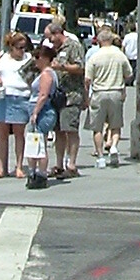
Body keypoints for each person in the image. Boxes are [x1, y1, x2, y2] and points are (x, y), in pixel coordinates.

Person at [85, 26, 133, 167]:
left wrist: (87, 95)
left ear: (99, 41)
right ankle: (113, 147)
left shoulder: (94, 57)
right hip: (116, 92)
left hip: (99, 92)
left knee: (97, 127)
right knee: (115, 125)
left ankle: (100, 157)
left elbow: (88, 79)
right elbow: (129, 74)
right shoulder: (120, 55)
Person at [0, 31, 32, 179]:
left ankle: (19, 167)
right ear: (11, 47)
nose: (22, 51)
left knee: (19, 133)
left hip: (21, 97)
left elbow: (35, 77)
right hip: (2, 97)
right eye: (19, 47)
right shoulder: (1, 57)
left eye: (24, 47)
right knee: (2, 134)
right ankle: (1, 168)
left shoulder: (29, 59)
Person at [44, 16, 85, 178]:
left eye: (50, 38)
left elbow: (80, 67)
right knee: (59, 131)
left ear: (57, 33)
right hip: (57, 96)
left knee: (70, 130)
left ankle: (72, 165)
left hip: (71, 95)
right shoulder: (55, 50)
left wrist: (62, 67)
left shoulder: (73, 46)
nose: (50, 41)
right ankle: (59, 164)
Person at [25, 42, 59, 189]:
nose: (35, 60)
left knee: (39, 145)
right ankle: (34, 173)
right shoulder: (46, 73)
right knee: (35, 143)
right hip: (41, 111)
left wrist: (35, 112)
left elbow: (43, 95)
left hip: (43, 112)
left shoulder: (47, 74)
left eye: (38, 57)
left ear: (45, 58)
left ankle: (40, 175)